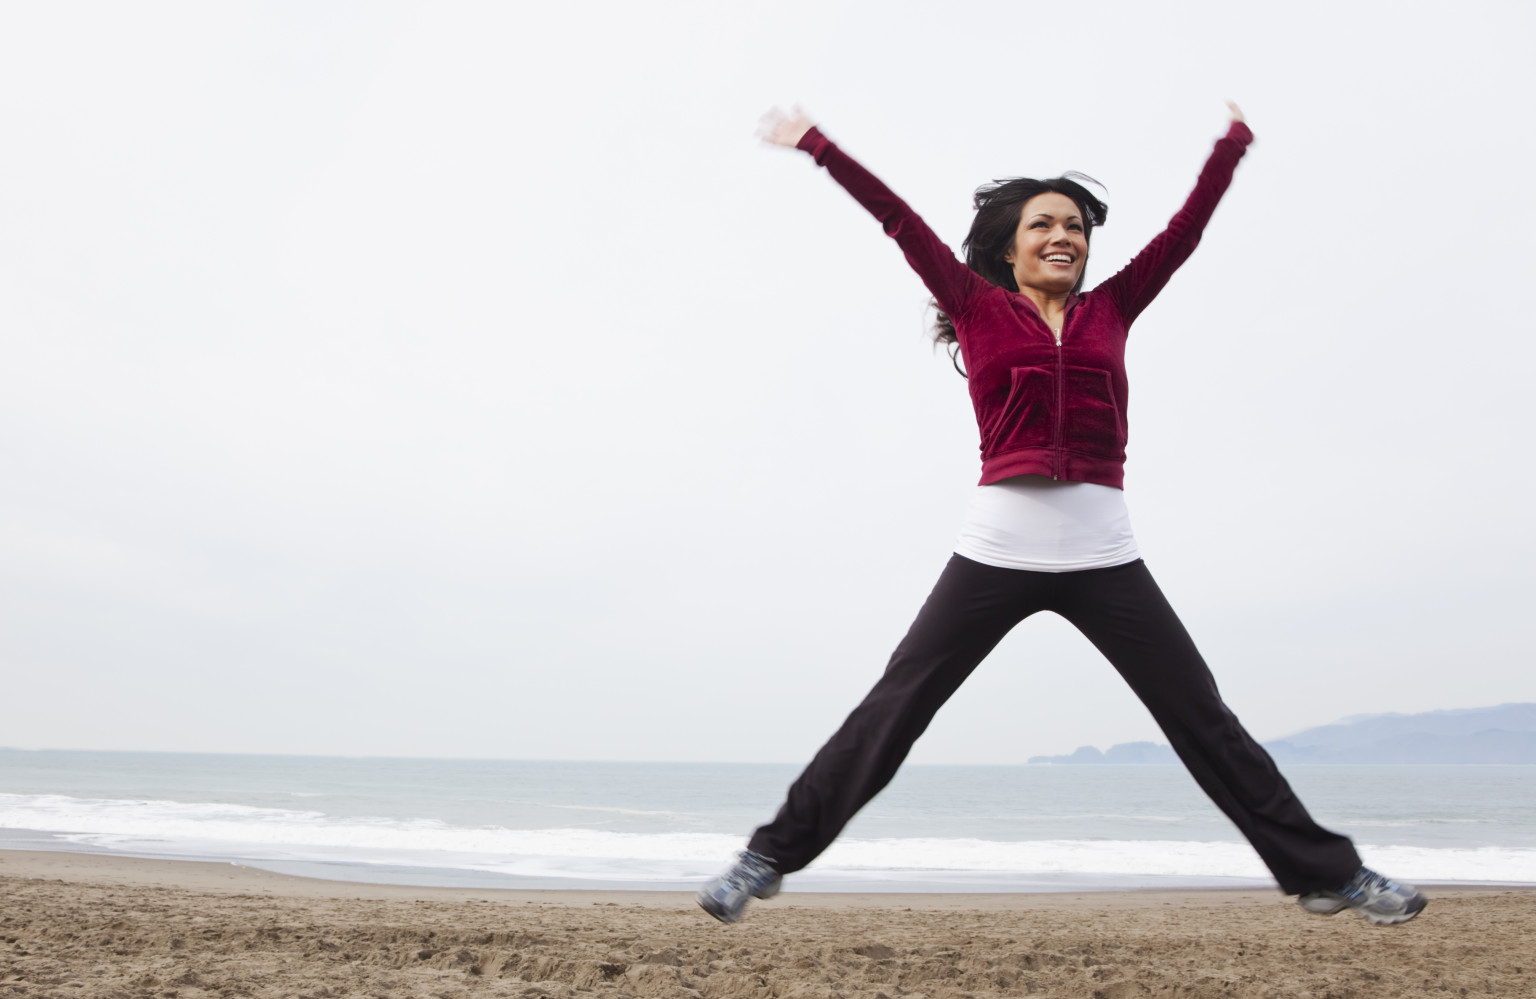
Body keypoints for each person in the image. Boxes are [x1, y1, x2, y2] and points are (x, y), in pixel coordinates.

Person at [697, 103, 1428, 926]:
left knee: (1204, 722)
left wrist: (1231, 146)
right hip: (997, 548)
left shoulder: (1112, 309)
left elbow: (1183, 233)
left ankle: (1330, 874)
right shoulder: (975, 305)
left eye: (1075, 225)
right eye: (1043, 222)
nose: (1063, 234)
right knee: (893, 710)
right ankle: (765, 857)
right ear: (1009, 246)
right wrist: (818, 146)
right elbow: (899, 220)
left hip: (1103, 551)